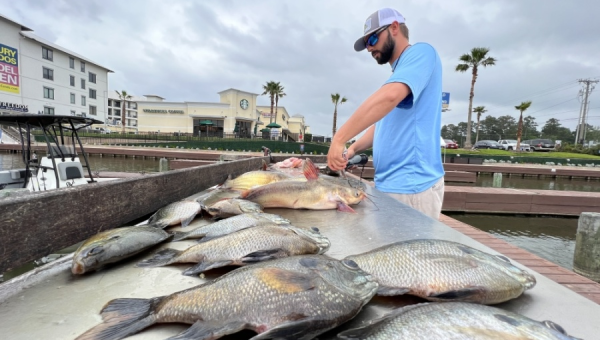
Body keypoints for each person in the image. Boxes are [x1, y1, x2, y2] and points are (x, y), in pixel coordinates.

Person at [326, 8, 445, 220]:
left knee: (410, 254)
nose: (369, 47)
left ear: (394, 27)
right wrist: (352, 149)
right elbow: (382, 125)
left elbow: (388, 96)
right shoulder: (400, 77)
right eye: (366, 44)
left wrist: (339, 138)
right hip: (389, 185)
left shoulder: (422, 53)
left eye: (373, 38)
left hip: (412, 188)